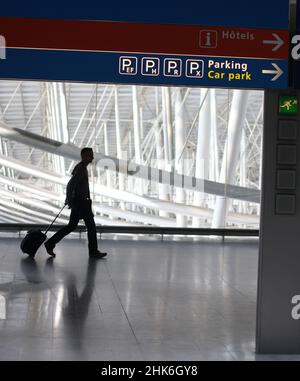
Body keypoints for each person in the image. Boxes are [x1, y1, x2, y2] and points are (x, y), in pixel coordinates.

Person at [44, 147, 107, 259]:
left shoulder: (81, 167)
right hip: (81, 203)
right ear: (84, 156)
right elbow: (70, 184)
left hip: (80, 203)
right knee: (91, 227)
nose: (92, 157)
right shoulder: (81, 168)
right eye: (90, 155)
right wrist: (69, 198)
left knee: (71, 226)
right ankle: (93, 252)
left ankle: (50, 243)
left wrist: (70, 199)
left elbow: (73, 185)